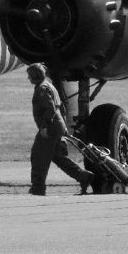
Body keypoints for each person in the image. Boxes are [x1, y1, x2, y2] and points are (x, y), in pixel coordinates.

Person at [27, 63, 94, 195]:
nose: (28, 78)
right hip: (57, 124)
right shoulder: (49, 85)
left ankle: (38, 187)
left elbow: (50, 108)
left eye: (30, 75)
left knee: (38, 155)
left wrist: (45, 126)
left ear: (35, 75)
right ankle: (83, 176)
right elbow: (61, 107)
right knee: (58, 157)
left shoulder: (42, 89)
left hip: (50, 126)